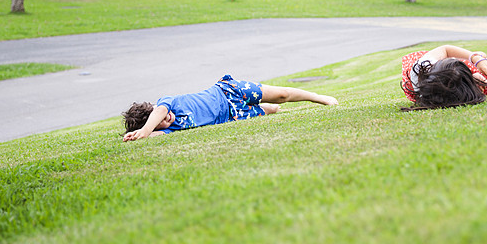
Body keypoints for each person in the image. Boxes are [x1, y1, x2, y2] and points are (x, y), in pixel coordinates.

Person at [122, 74, 338, 141]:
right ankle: (267, 107)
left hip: (229, 92)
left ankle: (317, 98)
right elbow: (153, 136)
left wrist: (146, 129)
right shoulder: (170, 129)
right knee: (271, 111)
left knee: (281, 95)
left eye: (158, 115)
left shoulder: (166, 103)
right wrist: (138, 135)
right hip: (233, 116)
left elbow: (159, 112)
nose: (165, 118)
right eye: (160, 123)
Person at [401, 44, 487, 110]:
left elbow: (445, 49)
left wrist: (476, 58)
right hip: (452, 77)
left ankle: (480, 58)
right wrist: (479, 81)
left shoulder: (422, 66)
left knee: (474, 58)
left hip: (432, 68)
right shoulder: (477, 87)